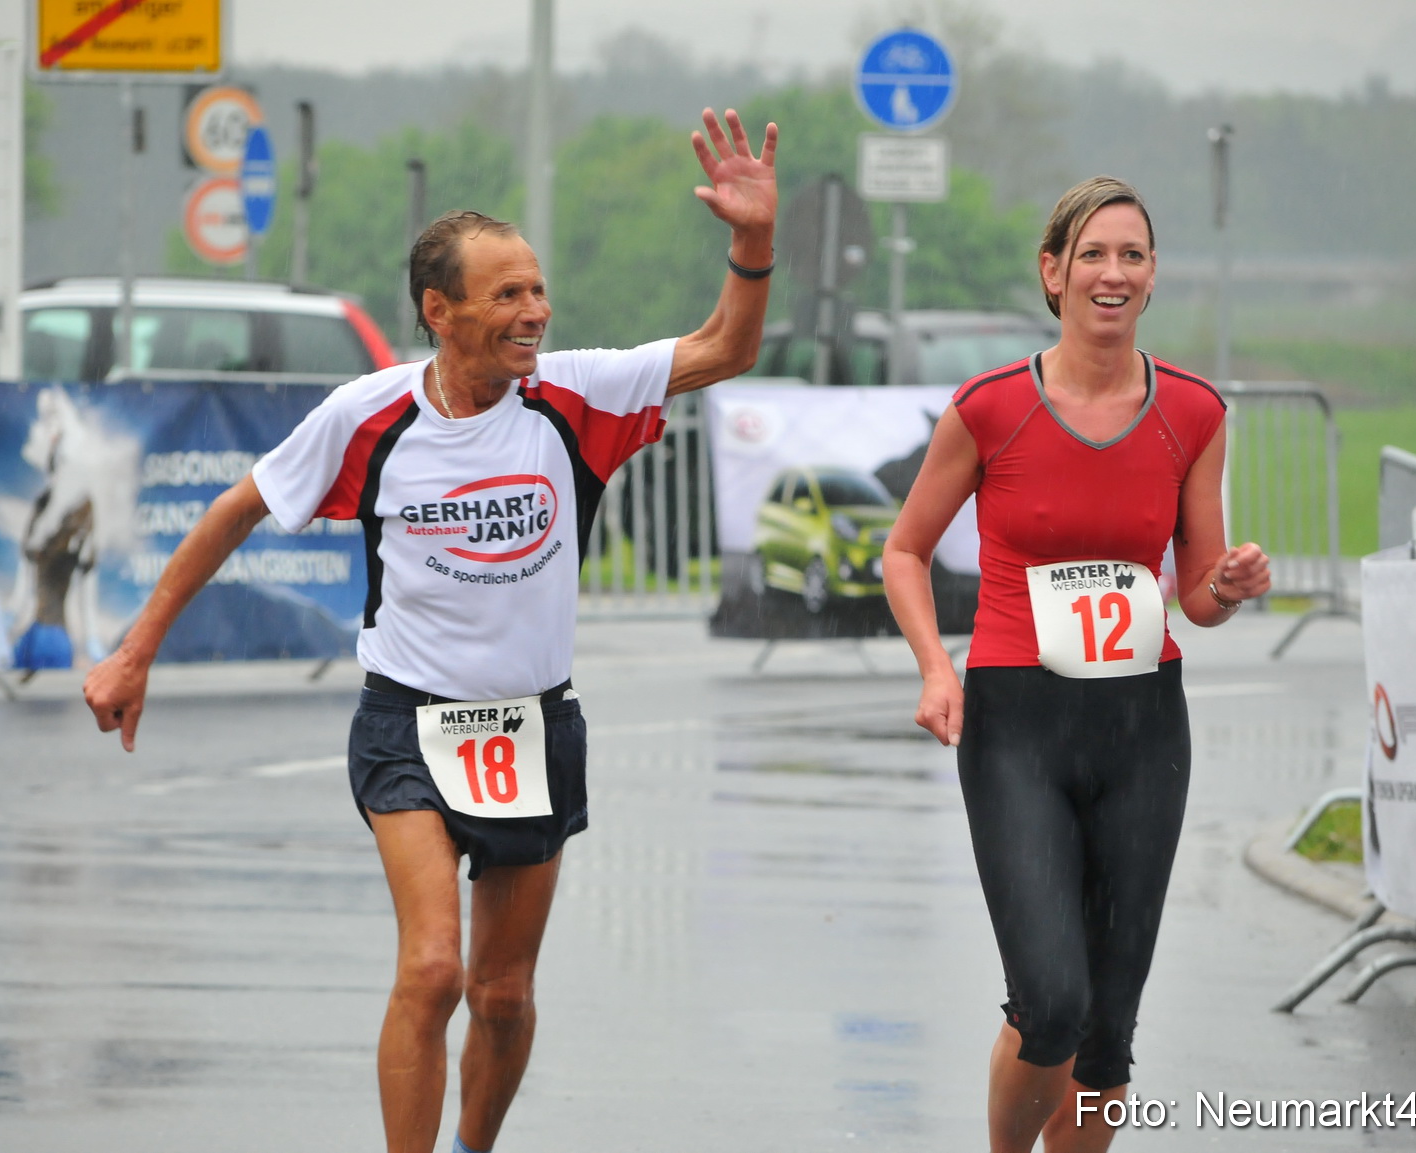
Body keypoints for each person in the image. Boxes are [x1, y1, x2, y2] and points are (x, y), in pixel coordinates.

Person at [82, 107, 777, 1153]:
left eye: (538, 289)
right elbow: (235, 509)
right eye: (507, 295)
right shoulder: (369, 413)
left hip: (533, 728)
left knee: (501, 992)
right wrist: (136, 650)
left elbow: (726, 345)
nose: (534, 310)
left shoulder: (570, 396)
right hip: (407, 720)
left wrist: (753, 240)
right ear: (439, 311)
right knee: (434, 969)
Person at [881, 176, 1271, 1153]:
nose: (1112, 273)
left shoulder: (1192, 410)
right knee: (1050, 1001)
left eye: (1131, 255)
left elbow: (1193, 596)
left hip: (1144, 728)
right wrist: (936, 667)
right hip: (1016, 724)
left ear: (1151, 277)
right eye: (1091, 254)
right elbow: (903, 552)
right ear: (1051, 273)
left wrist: (1228, 582)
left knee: (1105, 1032)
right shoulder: (990, 408)